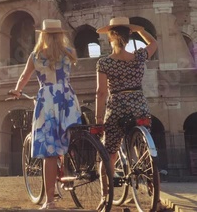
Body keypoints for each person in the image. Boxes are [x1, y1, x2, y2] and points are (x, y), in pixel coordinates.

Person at [9, 19, 82, 210]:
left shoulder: (36, 56)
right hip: (67, 98)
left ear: (42, 35)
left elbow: (24, 77)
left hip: (47, 100)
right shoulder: (70, 53)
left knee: (49, 154)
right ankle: (67, 176)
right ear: (60, 35)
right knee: (68, 140)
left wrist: (17, 90)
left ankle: (50, 201)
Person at [95, 16, 157, 210]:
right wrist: (140, 29)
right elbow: (154, 43)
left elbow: (101, 92)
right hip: (139, 105)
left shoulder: (105, 63)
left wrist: (98, 121)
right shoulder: (139, 57)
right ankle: (154, 193)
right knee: (145, 151)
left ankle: (106, 197)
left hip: (117, 108)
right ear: (128, 37)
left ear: (110, 38)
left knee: (109, 154)